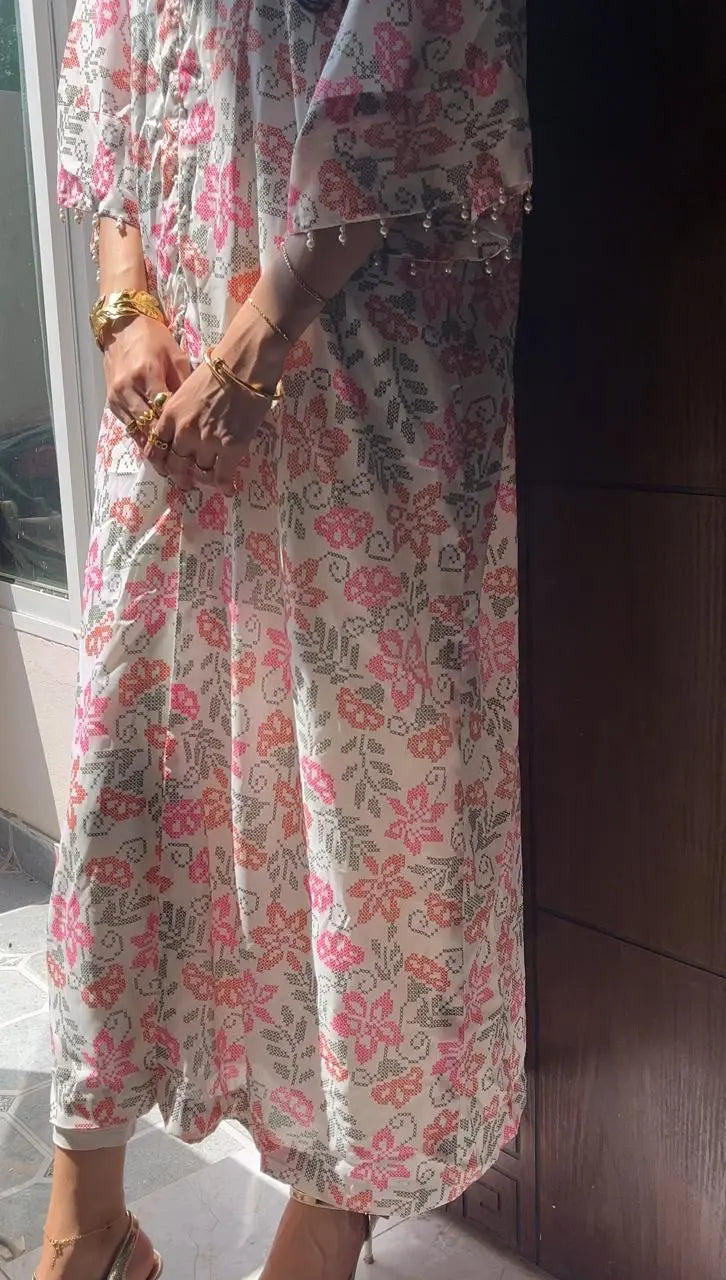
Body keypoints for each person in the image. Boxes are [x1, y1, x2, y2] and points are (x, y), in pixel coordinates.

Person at [41, 2, 531, 1278]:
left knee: (363, 796)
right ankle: (85, 1221)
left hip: (368, 317)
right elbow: (111, 41)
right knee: (132, 756)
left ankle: (330, 1213)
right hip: (175, 324)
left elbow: (421, 38)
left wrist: (272, 321)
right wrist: (122, 295)